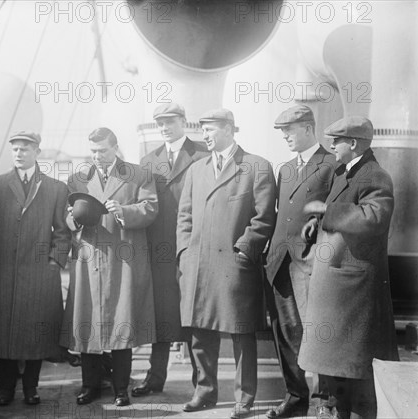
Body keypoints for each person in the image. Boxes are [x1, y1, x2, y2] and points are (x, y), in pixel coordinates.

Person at [177, 108, 276, 418]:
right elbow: (185, 216)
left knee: (241, 333)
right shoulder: (197, 169)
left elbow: (264, 217)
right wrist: (184, 252)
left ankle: (244, 398)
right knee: (200, 332)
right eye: (203, 130)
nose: (205, 136)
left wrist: (244, 250)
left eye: (212, 130)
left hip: (235, 265)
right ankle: (204, 391)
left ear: (231, 130)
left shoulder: (256, 166)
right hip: (199, 265)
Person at [298, 116, 398, 419]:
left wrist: (327, 211)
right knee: (336, 366)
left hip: (353, 293)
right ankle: (331, 410)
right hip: (339, 290)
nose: (331, 145)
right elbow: (344, 215)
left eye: (336, 140)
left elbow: (373, 218)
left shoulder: (375, 175)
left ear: (353, 144)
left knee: (355, 369)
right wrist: (317, 224)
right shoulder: (348, 172)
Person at [60, 127, 158, 407]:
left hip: (122, 258)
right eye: (92, 151)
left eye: (102, 150)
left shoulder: (139, 174)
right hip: (89, 259)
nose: (97, 156)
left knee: (121, 323)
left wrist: (124, 211)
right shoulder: (78, 178)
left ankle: (121, 389)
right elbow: (66, 219)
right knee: (87, 322)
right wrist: (74, 219)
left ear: (115, 147)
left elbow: (151, 208)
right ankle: (89, 386)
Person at [0, 131, 70, 407]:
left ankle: (31, 388)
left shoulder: (55, 187)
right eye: (15, 149)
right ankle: (6, 389)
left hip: (40, 272)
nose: (19, 154)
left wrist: (54, 261)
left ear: (37, 152)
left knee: (37, 334)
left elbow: (62, 231)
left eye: (25, 149)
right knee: (4, 332)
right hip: (4, 272)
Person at [264, 105, 337, 418]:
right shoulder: (285, 169)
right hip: (280, 263)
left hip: (311, 264)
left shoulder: (333, 164)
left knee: (315, 333)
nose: (284, 136)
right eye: (282, 131)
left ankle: (324, 402)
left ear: (308, 128)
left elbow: (336, 214)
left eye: (289, 130)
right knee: (285, 333)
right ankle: (296, 397)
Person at [134, 103, 208, 397]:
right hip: (161, 249)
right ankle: (155, 378)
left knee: (194, 316)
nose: (165, 127)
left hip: (193, 245)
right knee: (162, 315)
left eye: (170, 121)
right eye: (160, 123)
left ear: (183, 121)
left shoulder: (201, 154)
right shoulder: (149, 160)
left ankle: (201, 382)